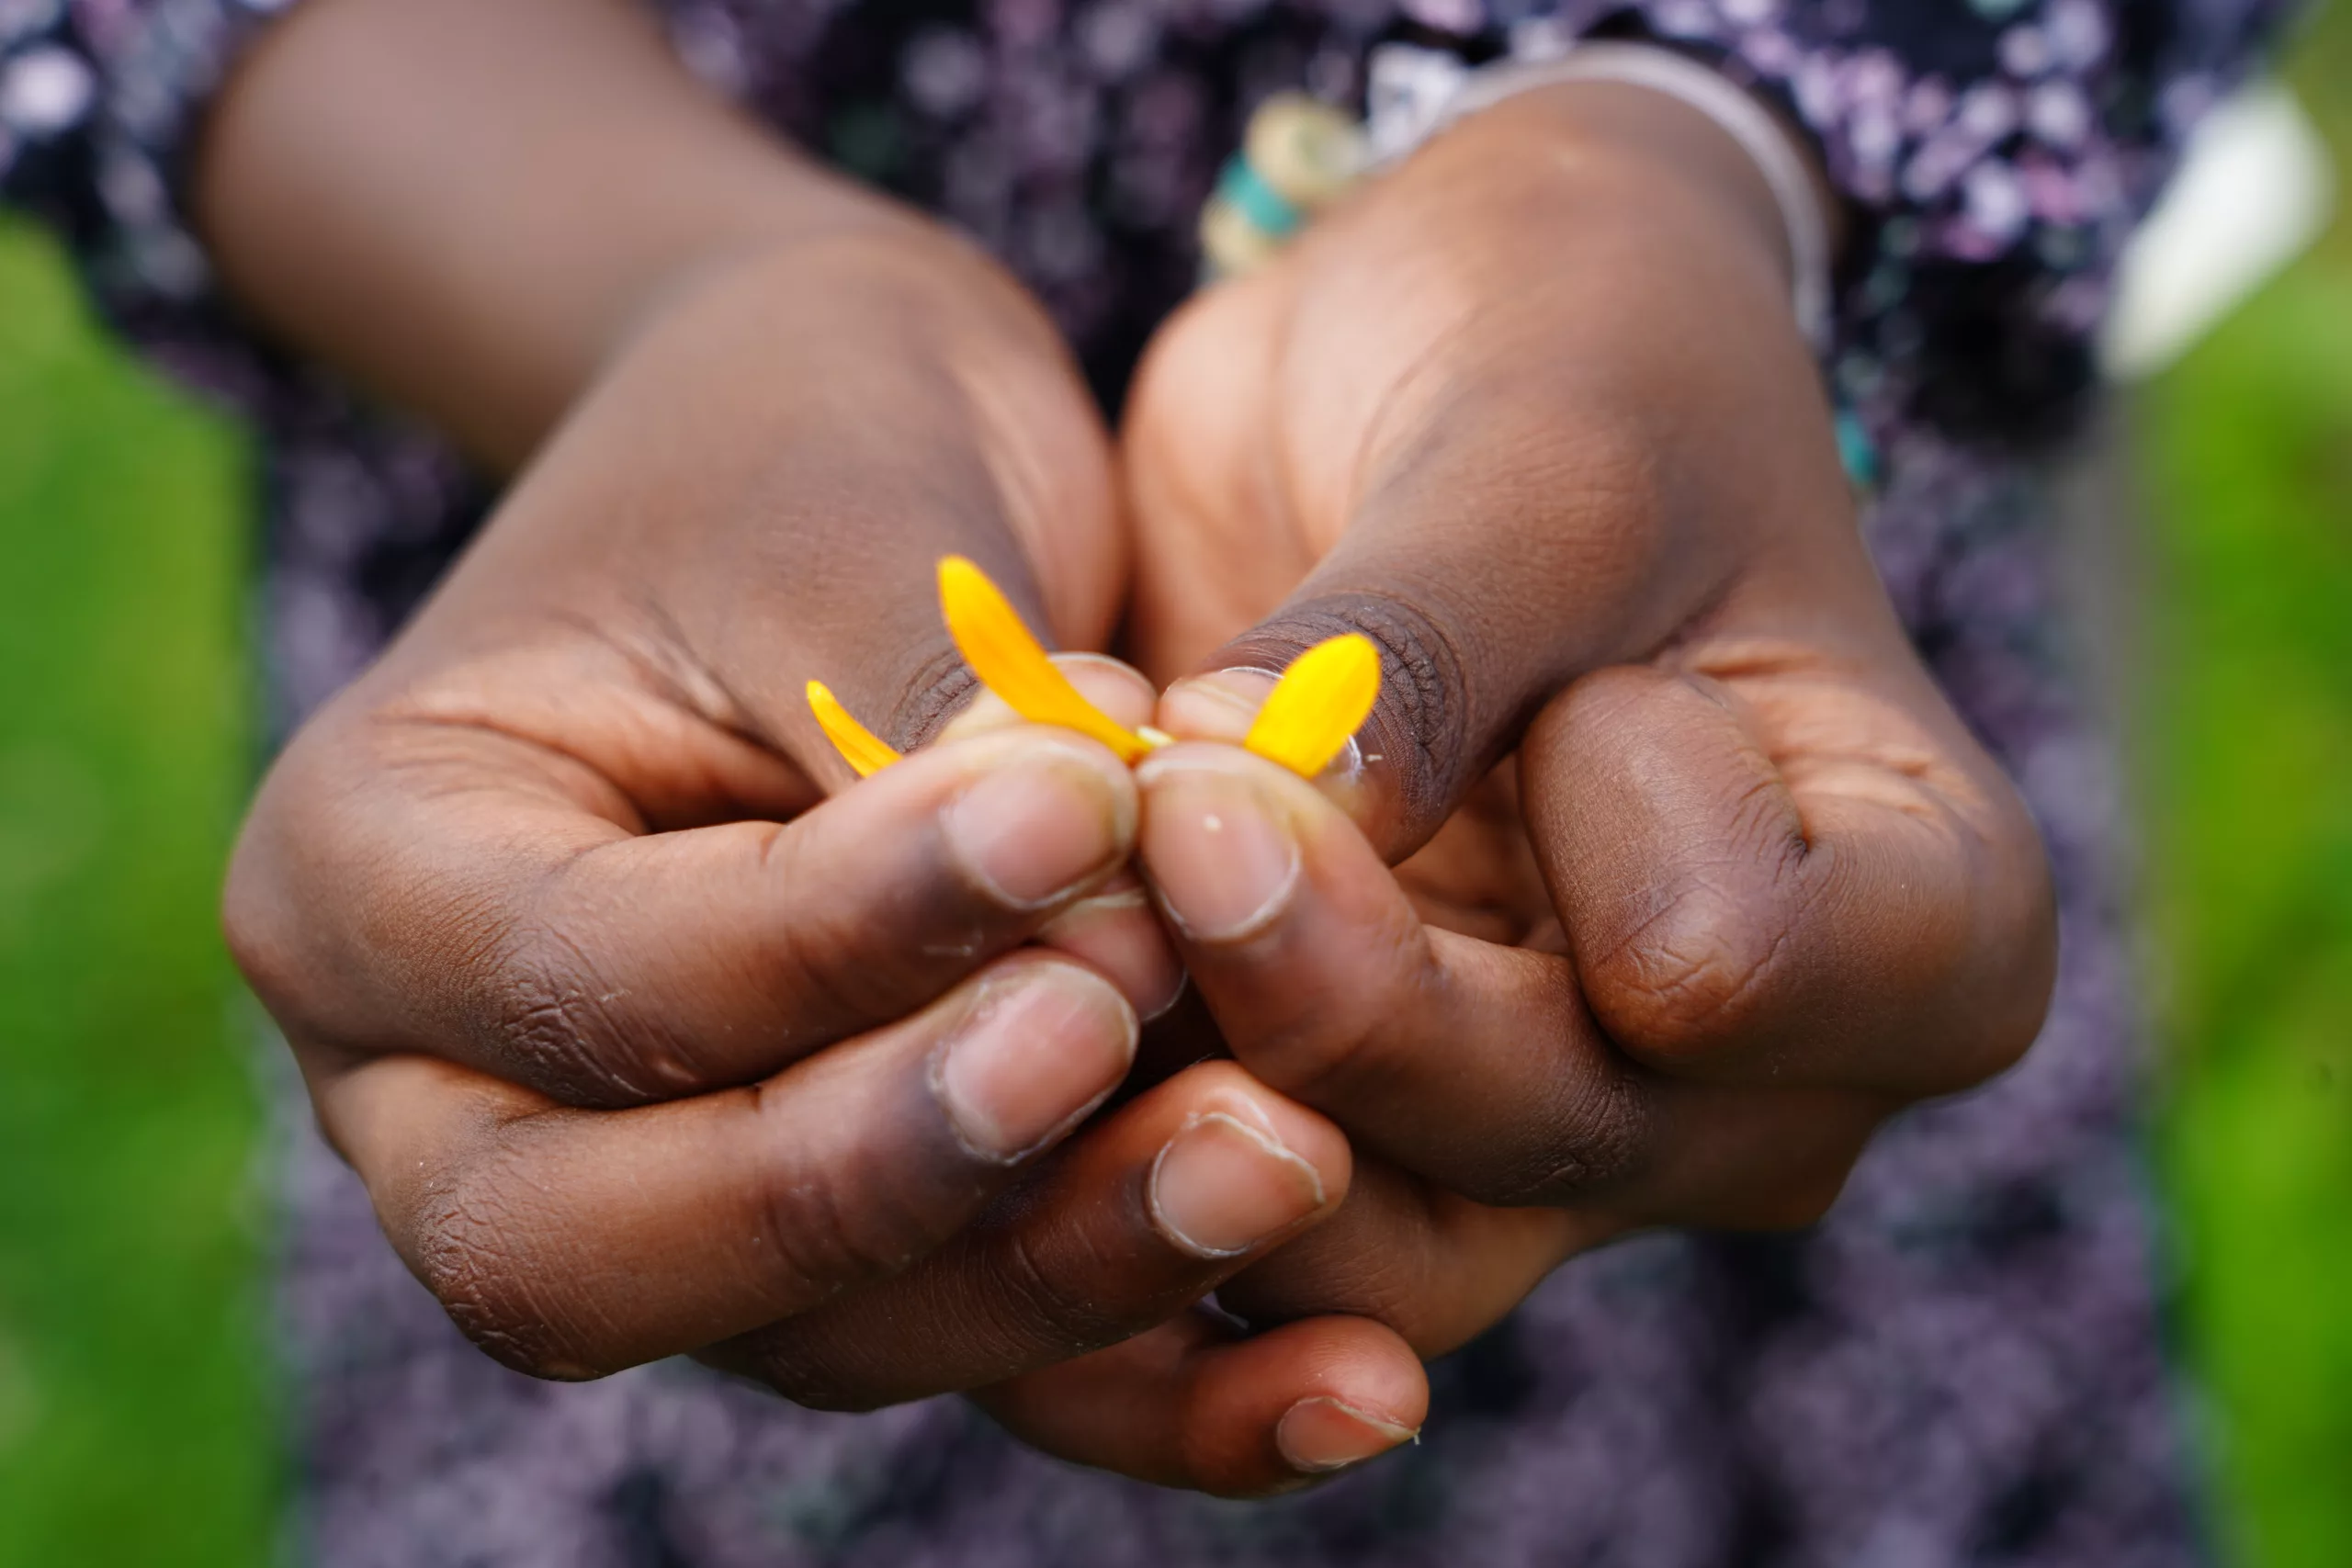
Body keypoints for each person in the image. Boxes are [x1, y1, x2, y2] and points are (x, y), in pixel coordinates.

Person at [0, 0, 2282, 1560]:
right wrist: (690, 285)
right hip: (646, 625)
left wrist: (1681, 156)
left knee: (1688, 978)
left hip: (1652, 543)